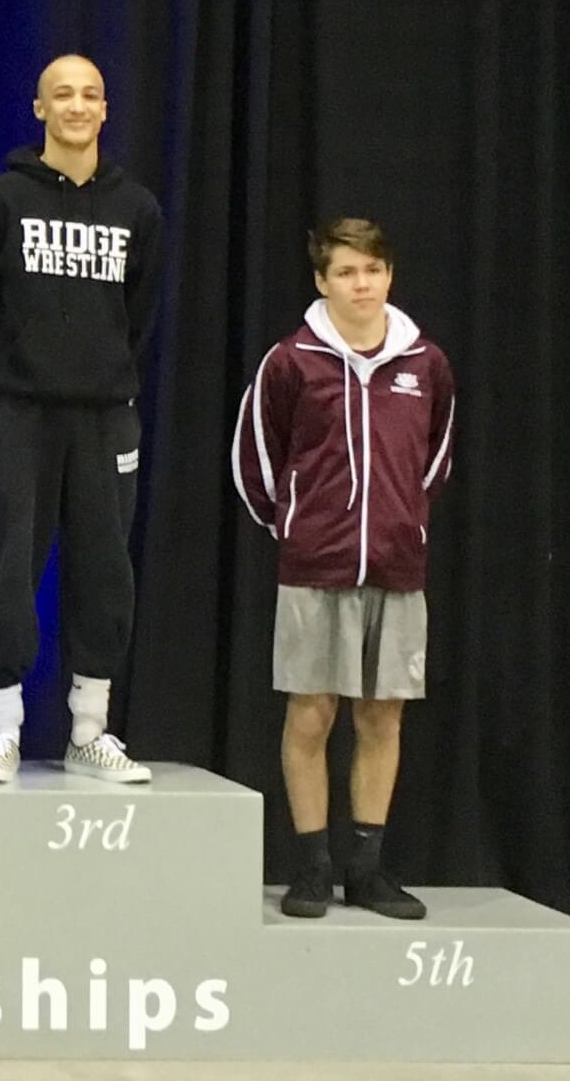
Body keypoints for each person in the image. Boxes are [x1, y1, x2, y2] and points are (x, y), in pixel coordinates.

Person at [0, 54, 162, 784]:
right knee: (9, 567)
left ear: (105, 110)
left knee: (105, 571)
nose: (76, 106)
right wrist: (18, 374)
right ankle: (1, 730)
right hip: (19, 415)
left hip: (105, 420)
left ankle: (89, 731)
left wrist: (97, 375)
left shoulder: (138, 209)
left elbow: (139, 316)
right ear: (39, 109)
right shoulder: (0, 200)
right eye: (62, 94)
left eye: (90, 95)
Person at [232, 218, 452, 919]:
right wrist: (297, 527)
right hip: (315, 566)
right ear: (322, 281)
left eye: (374, 270)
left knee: (383, 715)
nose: (363, 285)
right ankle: (312, 868)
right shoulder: (291, 361)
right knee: (311, 713)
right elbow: (255, 461)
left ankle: (366, 868)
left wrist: (404, 523)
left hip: (397, 565)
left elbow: (435, 461)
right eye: (348, 272)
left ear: (390, 275)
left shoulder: (426, 363)